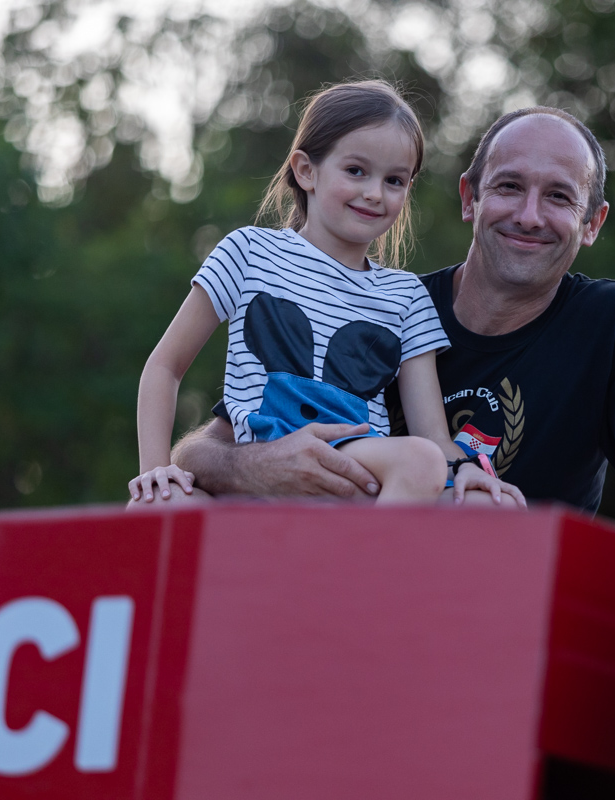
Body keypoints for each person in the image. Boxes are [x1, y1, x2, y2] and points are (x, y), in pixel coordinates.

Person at [146, 105, 615, 540]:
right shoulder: (381, 301)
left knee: (478, 506)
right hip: (306, 539)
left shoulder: (609, 321)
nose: (529, 216)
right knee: (159, 507)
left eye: (558, 196)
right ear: (469, 198)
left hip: (496, 601)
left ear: (592, 222)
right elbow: (203, 449)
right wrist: (256, 466)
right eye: (509, 186)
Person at [128, 80, 523, 507]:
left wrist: (470, 470)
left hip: (358, 481)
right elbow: (165, 366)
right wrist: (154, 470)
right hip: (254, 469)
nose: (374, 193)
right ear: (306, 170)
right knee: (153, 504)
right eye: (356, 171)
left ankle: (359, 551)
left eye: (394, 180)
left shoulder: (407, 296)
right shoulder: (249, 252)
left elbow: (432, 436)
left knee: (486, 502)